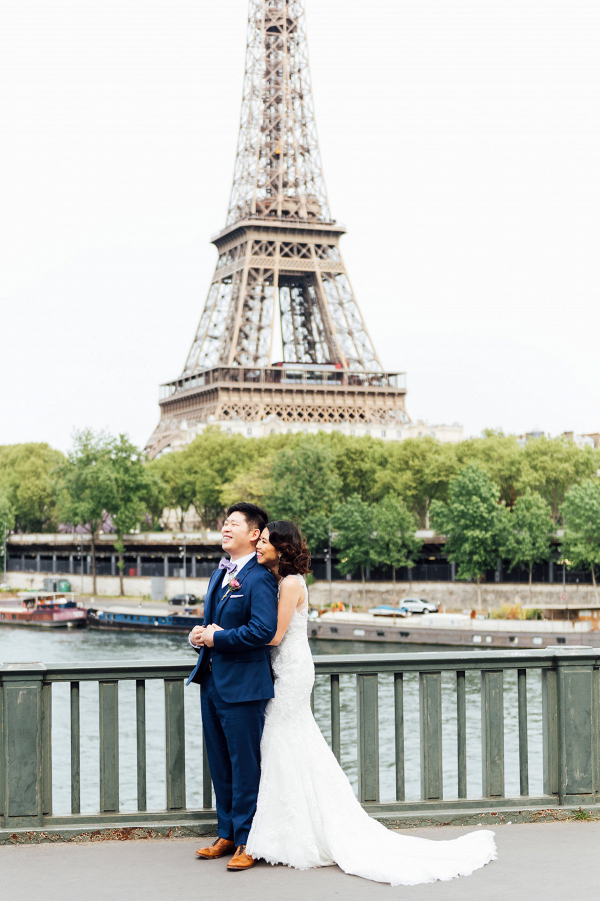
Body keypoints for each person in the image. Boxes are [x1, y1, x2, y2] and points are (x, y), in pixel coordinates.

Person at [209, 520, 497, 886]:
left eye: (265, 541)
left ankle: (278, 834)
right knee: (288, 745)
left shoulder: (291, 584)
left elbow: (274, 635)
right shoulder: (284, 581)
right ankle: (285, 829)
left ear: (281, 548)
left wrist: (220, 634)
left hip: (291, 672)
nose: (260, 546)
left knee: (278, 743)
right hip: (285, 670)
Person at [187, 502, 278, 872]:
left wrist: (217, 637)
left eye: (233, 524)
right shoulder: (218, 574)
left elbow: (263, 631)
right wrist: (198, 635)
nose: (225, 528)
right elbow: (213, 626)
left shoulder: (260, 578)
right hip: (212, 682)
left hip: (244, 687)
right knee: (220, 763)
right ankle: (225, 833)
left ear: (254, 533)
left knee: (245, 766)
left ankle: (248, 840)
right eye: (224, 523)